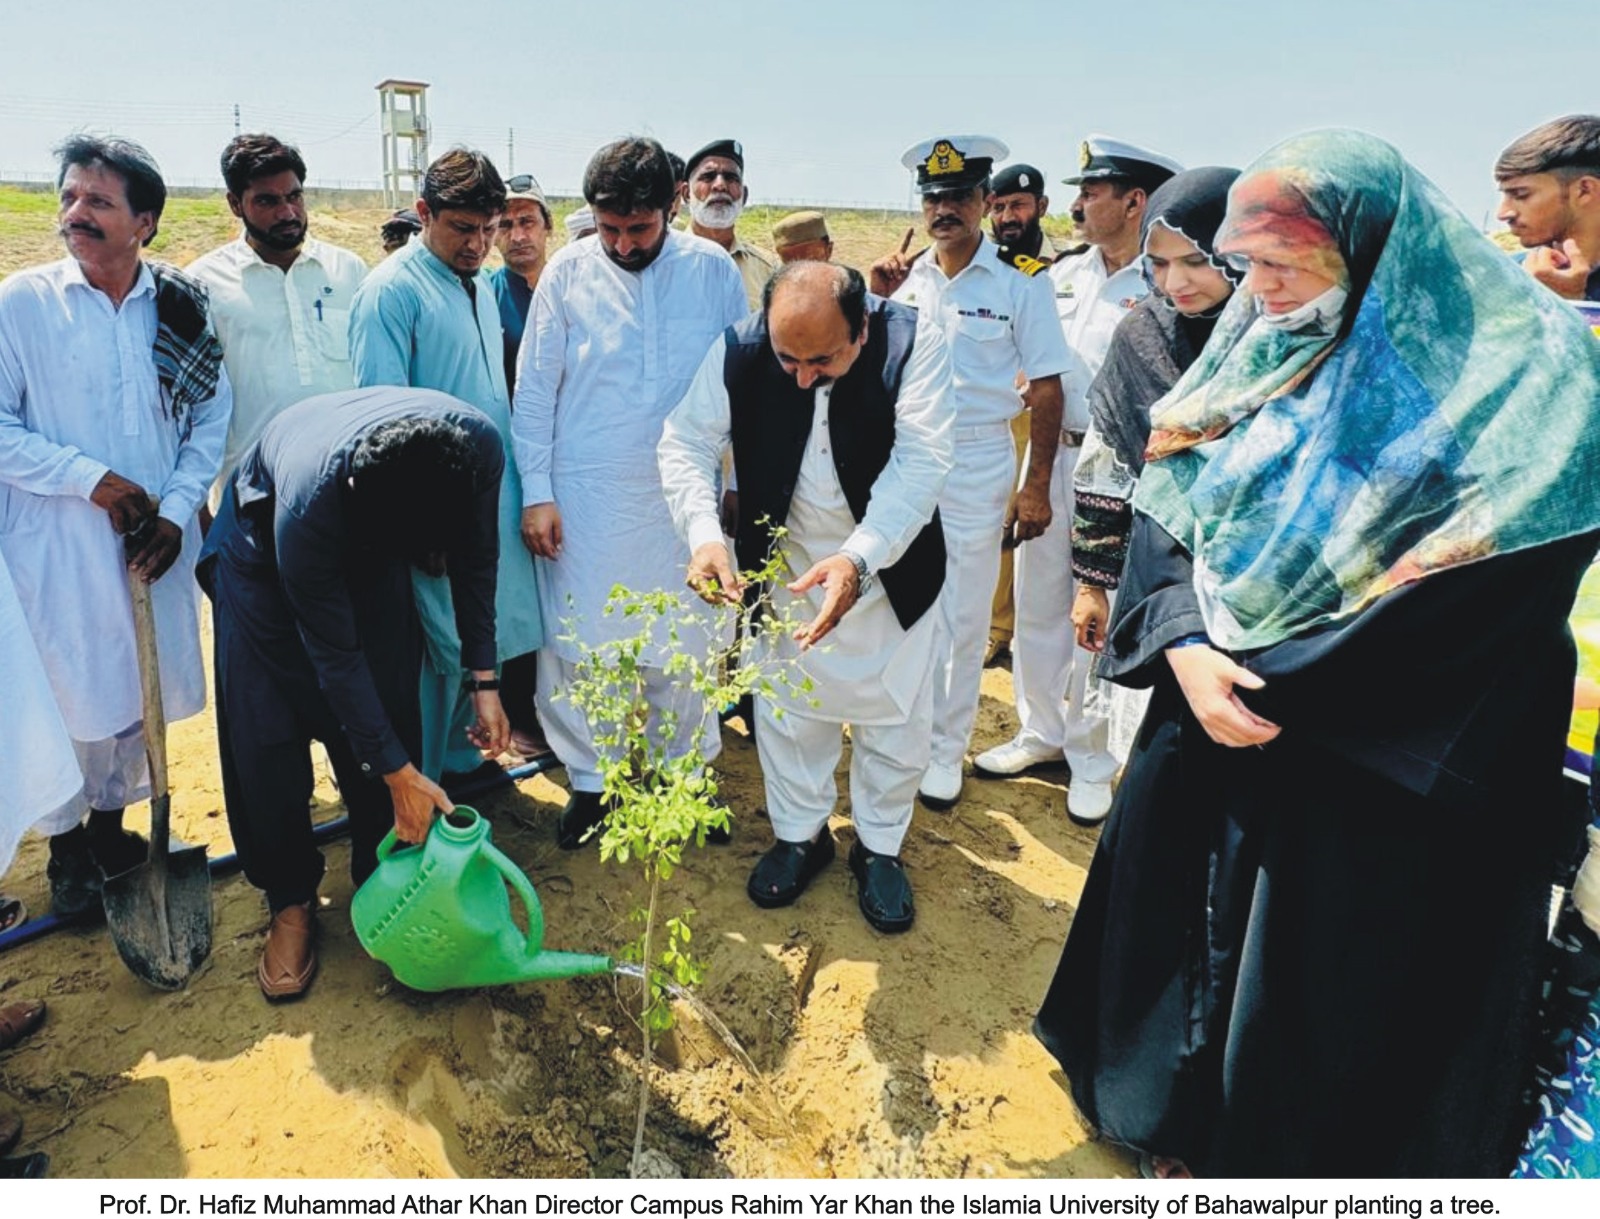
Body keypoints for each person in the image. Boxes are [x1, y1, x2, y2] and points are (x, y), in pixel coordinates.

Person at [1034, 129, 1600, 1178]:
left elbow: (1489, 590)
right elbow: (1173, 515)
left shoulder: (1536, 383)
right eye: (1249, 266)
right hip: (1223, 708)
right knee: (1188, 954)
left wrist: (1268, 676)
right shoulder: (1262, 345)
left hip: (1382, 755)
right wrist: (1188, 646)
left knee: (1320, 1004)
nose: (1264, 289)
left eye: (1289, 265)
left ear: (1377, 251)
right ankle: (1166, 1120)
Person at [659, 262, 954, 932]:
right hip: (788, 569)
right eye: (786, 358)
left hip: (889, 567)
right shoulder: (739, 349)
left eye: (821, 359)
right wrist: (704, 534)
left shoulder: (914, 343)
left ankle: (878, 847)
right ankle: (802, 835)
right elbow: (685, 440)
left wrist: (857, 558)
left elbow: (922, 464)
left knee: (894, 723)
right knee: (790, 716)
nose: (798, 377)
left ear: (862, 326)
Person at [198, 387, 509, 999]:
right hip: (262, 559)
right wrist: (396, 773)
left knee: (393, 701)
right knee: (268, 734)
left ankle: (386, 876)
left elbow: (478, 561)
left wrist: (485, 679)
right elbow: (335, 658)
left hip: (374, 556)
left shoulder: (476, 451)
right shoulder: (312, 507)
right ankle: (290, 900)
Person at [0, 134, 231, 920]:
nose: (75, 214)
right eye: (68, 198)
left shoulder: (177, 304)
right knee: (69, 696)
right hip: (56, 548)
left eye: (98, 201)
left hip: (152, 546)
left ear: (147, 221)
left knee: (140, 693)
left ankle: (110, 830)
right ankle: (67, 852)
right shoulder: (23, 303)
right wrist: (88, 479)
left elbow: (210, 415)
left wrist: (174, 509)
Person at [514, 136, 746, 849]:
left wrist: (733, 481)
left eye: (637, 229)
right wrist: (536, 491)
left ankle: (684, 777)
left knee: (685, 638)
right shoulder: (567, 272)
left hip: (685, 498)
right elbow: (533, 389)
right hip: (585, 495)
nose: (621, 242)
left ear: (672, 205)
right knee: (585, 646)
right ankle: (594, 780)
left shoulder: (713, 271)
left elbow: (742, 381)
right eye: (608, 228)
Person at [975, 135, 1180, 825]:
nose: (1078, 203)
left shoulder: (1164, 283)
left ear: (1134, 201)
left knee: (1100, 610)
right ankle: (1041, 731)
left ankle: (1091, 756)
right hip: (1051, 455)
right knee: (1038, 600)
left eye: (1092, 192)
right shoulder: (1062, 274)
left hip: (1121, 468)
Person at [869, 135, 1071, 811]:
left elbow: (1047, 385)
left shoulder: (1020, 280)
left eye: (958, 196)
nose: (944, 209)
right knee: (896, 600)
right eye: (933, 197)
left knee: (960, 616)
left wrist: (1035, 483)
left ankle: (944, 750)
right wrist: (877, 298)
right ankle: (900, 727)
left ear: (984, 202)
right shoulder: (907, 279)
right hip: (906, 456)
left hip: (979, 458)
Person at [351, 149, 544, 776]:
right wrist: (419, 527)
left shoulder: (480, 289)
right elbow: (379, 421)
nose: (478, 245)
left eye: (487, 230)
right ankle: (427, 784)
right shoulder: (391, 292)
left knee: (477, 637)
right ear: (425, 212)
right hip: (432, 514)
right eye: (463, 229)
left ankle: (469, 766)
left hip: (489, 499)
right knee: (435, 651)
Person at [1066, 168, 1242, 811]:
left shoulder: (1282, 339)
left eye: (1197, 260)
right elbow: (1106, 467)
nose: (1177, 283)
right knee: (1160, 757)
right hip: (1162, 572)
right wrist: (1093, 583)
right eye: (1161, 263)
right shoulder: (1143, 336)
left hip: (1259, 591)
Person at [187, 134, 368, 498]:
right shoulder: (203, 283)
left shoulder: (347, 270)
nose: (287, 213)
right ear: (235, 204)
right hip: (253, 491)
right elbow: (194, 408)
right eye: (267, 201)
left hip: (347, 484)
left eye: (294, 197)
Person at [983, 161, 1058, 669]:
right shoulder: (984, 266)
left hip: (1048, 416)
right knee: (998, 527)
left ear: (1041, 208)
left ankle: (1022, 632)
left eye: (1019, 206)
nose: (1009, 216)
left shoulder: (1064, 268)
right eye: (1000, 207)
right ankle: (997, 626)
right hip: (1002, 421)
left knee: (1036, 531)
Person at [1495, 115, 1600, 302]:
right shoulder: (1499, 278)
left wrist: (1568, 305)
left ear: (1584, 190)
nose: (1503, 213)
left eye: (1521, 195)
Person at [683, 138, 778, 308]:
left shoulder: (768, 269)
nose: (720, 185)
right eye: (708, 177)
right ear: (686, 194)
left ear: (744, 196)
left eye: (731, 178)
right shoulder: (662, 261)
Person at [488, 173, 552, 389]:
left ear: (548, 226)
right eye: (505, 225)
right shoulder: (484, 297)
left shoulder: (574, 290)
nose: (517, 237)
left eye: (527, 222)